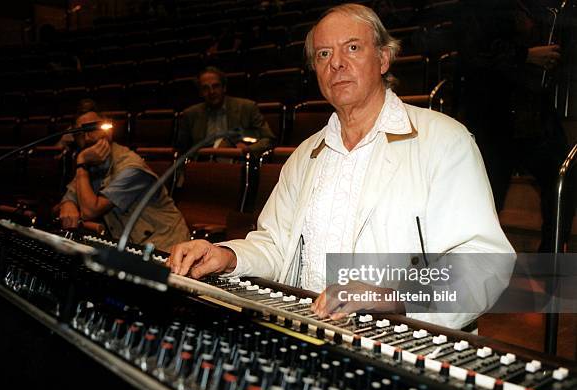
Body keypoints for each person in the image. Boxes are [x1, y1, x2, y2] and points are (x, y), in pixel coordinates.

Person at [167, 4, 515, 330]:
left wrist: (395, 299)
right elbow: (275, 246)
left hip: (403, 340)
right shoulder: (305, 156)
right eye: (323, 54)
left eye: (352, 48)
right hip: (308, 331)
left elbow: (485, 261)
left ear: (383, 58)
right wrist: (227, 256)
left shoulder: (443, 140)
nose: (336, 63)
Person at [456, 0, 575, 252]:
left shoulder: (533, 6)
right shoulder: (483, 10)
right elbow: (472, 52)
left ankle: (551, 257)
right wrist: (527, 55)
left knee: (562, 178)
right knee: (488, 194)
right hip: (493, 115)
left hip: (531, 110)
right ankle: (475, 265)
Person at [58, 110, 190, 252]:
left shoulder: (131, 166)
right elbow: (71, 194)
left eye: (92, 129)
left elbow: (90, 211)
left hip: (166, 245)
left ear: (107, 131)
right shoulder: (91, 163)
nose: (87, 137)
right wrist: (68, 203)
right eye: (81, 133)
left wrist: (81, 162)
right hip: (133, 247)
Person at [175, 67, 276, 156]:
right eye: (205, 88)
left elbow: (269, 139)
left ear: (224, 87)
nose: (211, 92)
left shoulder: (247, 107)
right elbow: (181, 151)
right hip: (201, 167)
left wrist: (246, 150)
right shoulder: (190, 114)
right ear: (200, 93)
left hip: (236, 165)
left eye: (215, 86)